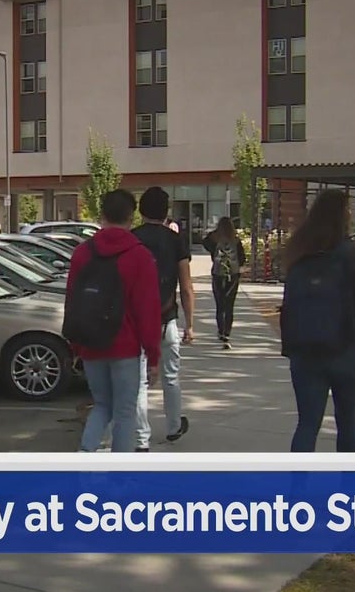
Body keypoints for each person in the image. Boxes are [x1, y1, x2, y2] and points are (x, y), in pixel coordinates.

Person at [279, 189, 355, 453]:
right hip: (347, 350)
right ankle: (347, 490)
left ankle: (297, 490)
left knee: (307, 424)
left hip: (305, 353)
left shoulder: (299, 257)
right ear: (344, 216)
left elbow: (289, 305)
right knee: (347, 424)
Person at [65, 189, 162, 453]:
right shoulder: (140, 256)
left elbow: (73, 300)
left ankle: (85, 458)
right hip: (126, 347)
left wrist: (75, 346)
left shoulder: (82, 253)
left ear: (102, 215)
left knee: (102, 405)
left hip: (91, 344)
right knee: (125, 413)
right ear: (132, 218)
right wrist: (153, 356)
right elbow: (148, 310)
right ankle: (120, 476)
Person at [131, 187, 195, 449]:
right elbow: (186, 285)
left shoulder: (132, 239)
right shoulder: (176, 240)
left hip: (136, 321)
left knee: (139, 381)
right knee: (170, 376)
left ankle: (140, 439)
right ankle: (173, 426)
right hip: (166, 317)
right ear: (166, 211)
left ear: (141, 210)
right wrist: (190, 324)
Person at [202, 217, 246, 349]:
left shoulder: (214, 240)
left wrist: (214, 232)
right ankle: (227, 331)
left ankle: (221, 331)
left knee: (219, 304)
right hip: (233, 274)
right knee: (229, 304)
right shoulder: (236, 241)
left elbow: (204, 242)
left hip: (217, 273)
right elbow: (242, 258)